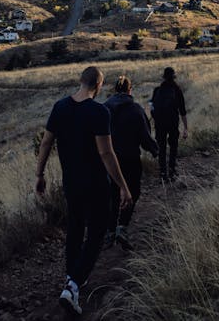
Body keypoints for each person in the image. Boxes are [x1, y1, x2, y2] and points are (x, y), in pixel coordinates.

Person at [35, 66, 132, 316]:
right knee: (97, 234)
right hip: (96, 185)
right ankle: (74, 285)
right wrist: (122, 185)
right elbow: (106, 153)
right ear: (98, 86)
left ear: (80, 81)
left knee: (76, 229)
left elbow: (46, 142)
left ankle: (72, 279)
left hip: (71, 183)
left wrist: (40, 174)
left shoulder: (60, 107)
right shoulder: (100, 112)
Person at [104, 75, 158, 251]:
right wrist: (154, 149)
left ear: (114, 90)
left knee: (111, 193)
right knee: (133, 191)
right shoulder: (136, 109)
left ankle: (110, 231)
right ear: (130, 90)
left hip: (109, 159)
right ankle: (122, 226)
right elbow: (144, 136)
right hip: (130, 158)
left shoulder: (104, 109)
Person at [151, 66, 188, 182]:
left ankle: (163, 173)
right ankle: (172, 171)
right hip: (172, 123)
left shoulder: (157, 90)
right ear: (173, 77)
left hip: (160, 123)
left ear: (164, 77)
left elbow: (152, 107)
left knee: (161, 148)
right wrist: (186, 128)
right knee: (173, 147)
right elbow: (182, 110)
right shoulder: (177, 90)